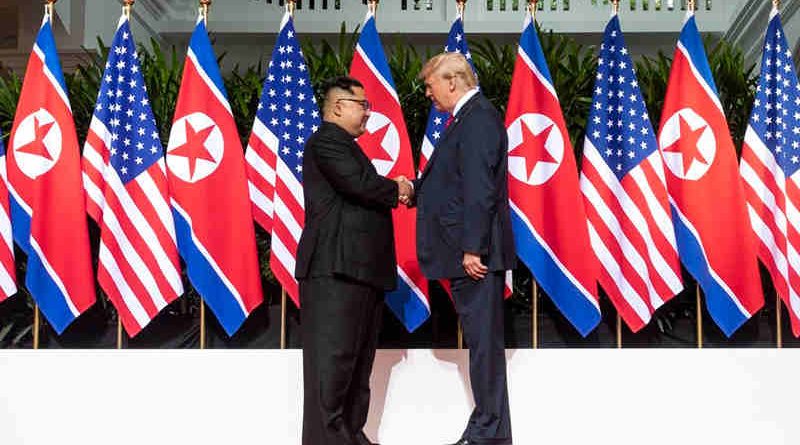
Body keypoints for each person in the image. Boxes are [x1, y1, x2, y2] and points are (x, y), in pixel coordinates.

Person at [403, 52, 516, 445]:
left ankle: (488, 432)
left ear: (453, 82)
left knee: (484, 345)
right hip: (466, 251)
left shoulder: (479, 119)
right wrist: (413, 189)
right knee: (481, 343)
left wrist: (473, 249)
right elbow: (452, 184)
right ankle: (491, 431)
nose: (429, 94)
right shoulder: (467, 120)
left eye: (431, 86)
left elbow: (480, 190)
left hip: (474, 256)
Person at [295, 76, 411, 445]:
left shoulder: (344, 145)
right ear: (338, 106)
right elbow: (360, 184)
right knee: (332, 367)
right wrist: (400, 188)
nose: (367, 114)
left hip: (357, 272)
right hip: (334, 271)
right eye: (363, 106)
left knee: (356, 368)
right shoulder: (327, 141)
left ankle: (350, 435)